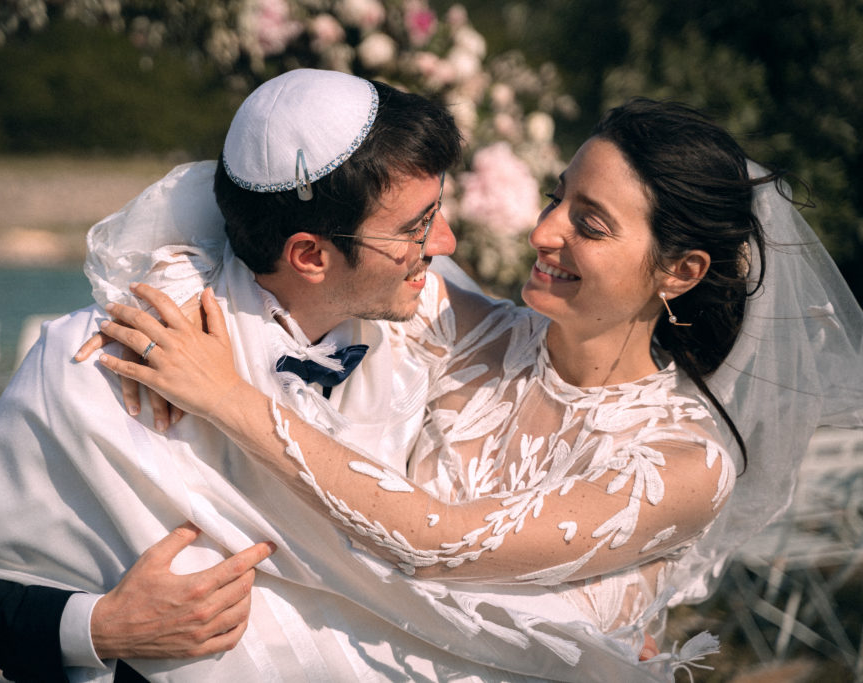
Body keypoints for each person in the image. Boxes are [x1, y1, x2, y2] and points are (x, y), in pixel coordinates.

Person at [91, 99, 863, 678]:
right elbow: (278, 237)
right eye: (558, 195)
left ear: (681, 271)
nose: (545, 229)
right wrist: (179, 290)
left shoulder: (686, 462)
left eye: (589, 224)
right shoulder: (468, 321)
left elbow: (434, 538)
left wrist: (226, 395)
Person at [0, 69, 618, 682]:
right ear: (309, 255)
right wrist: (103, 627)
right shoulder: (98, 362)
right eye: (415, 226)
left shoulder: (431, 318)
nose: (445, 243)